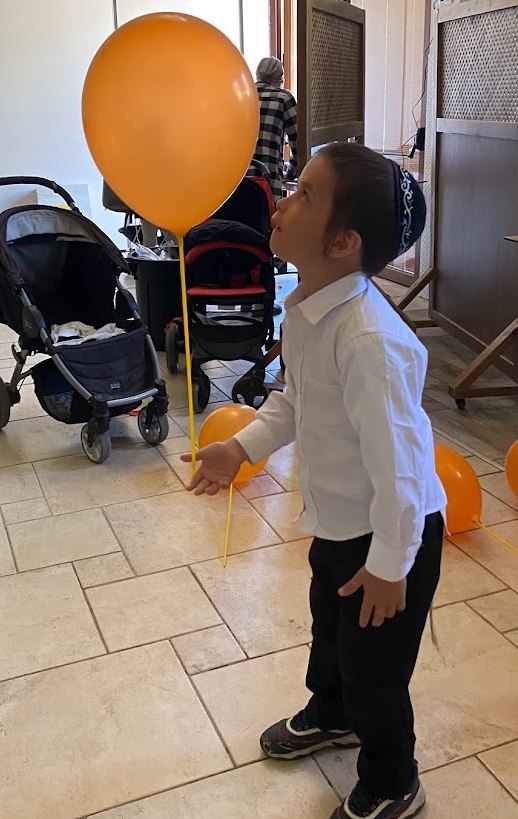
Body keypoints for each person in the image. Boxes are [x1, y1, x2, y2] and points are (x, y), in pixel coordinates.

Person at [181, 141, 446, 819]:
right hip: (339, 519)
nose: (283, 198)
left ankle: (393, 778)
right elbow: (295, 401)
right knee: (329, 630)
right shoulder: (307, 306)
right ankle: (332, 712)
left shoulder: (367, 342)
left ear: (343, 240)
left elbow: (403, 468)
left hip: (393, 534)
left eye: (302, 192)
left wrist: (391, 565)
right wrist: (239, 448)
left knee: (375, 667)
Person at [253, 56, 297, 202]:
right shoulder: (283, 98)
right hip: (268, 181)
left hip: (237, 182)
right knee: (268, 221)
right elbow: (298, 142)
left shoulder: (242, 94)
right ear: (279, 79)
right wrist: (290, 173)